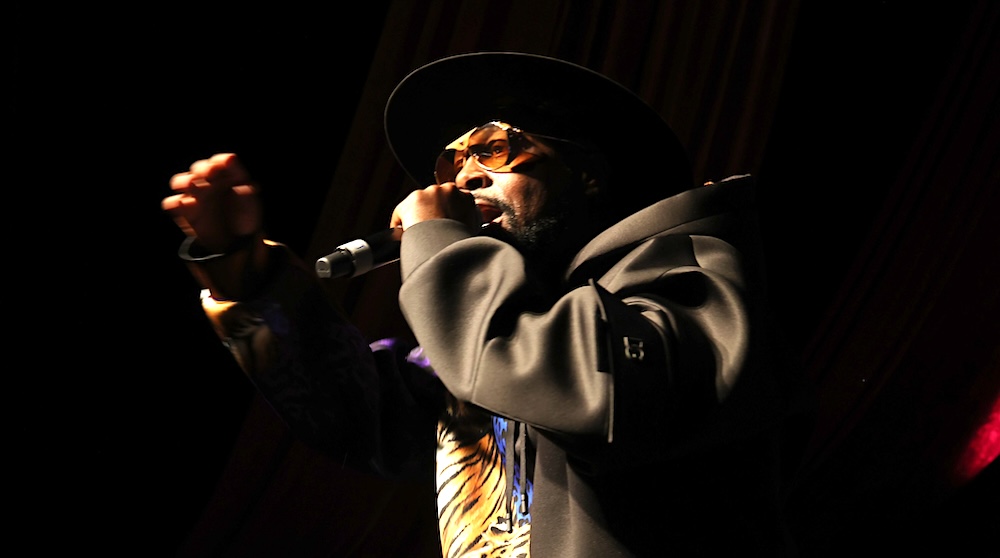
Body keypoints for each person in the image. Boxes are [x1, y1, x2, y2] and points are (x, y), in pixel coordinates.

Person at [163, 52, 796, 557]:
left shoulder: (686, 266)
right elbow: (361, 409)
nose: (461, 177)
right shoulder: (494, 342)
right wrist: (250, 278)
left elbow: (596, 393)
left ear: (588, 174)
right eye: (451, 161)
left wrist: (441, 248)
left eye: (494, 148)